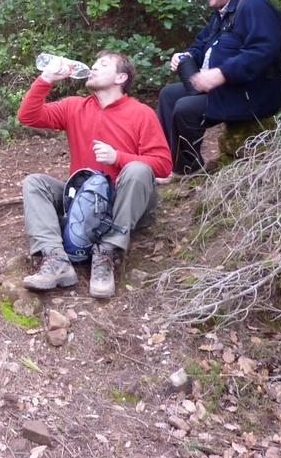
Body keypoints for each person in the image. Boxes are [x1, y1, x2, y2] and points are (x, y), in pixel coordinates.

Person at [16, 51, 172, 298]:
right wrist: (46, 79)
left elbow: (163, 165)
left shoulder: (141, 113)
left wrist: (118, 157)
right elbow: (28, 116)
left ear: (120, 78)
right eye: (95, 63)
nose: (94, 67)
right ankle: (56, 260)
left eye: (103, 64)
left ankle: (108, 252)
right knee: (35, 183)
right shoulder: (74, 106)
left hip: (124, 203)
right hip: (84, 203)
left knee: (138, 168)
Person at [156, 0, 281, 176]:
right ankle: (169, 164)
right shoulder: (222, 13)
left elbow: (262, 50)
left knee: (185, 108)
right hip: (225, 88)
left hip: (252, 92)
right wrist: (187, 55)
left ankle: (188, 170)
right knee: (168, 95)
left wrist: (222, 73)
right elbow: (202, 44)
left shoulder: (254, 5)